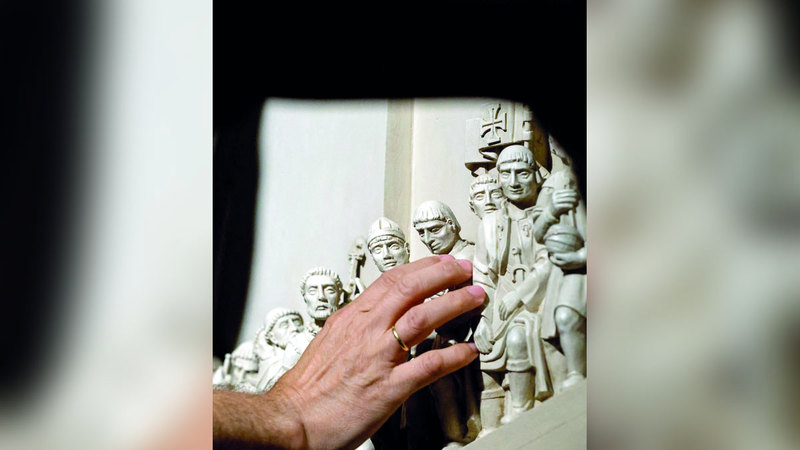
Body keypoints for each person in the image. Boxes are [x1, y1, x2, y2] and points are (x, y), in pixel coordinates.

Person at [213, 255, 484, 450]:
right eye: (313, 291)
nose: (321, 297)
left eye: (328, 290)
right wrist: (289, 411)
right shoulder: (295, 345)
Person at [472, 144, 553, 434]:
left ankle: (521, 413)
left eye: (522, 173)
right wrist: (483, 320)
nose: (514, 181)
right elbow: (483, 275)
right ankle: (489, 432)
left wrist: (519, 296)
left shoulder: (547, 215)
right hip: (499, 305)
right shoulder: (489, 222)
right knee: (485, 358)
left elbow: (549, 263)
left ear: (536, 176)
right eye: (506, 174)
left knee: (519, 338)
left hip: (538, 301)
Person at [412, 201, 481, 446]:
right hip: (449, 334)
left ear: (451, 224)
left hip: (473, 331)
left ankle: (465, 431)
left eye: (434, 230)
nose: (428, 239)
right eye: (421, 233)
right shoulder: (441, 262)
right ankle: (455, 435)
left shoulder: (469, 255)